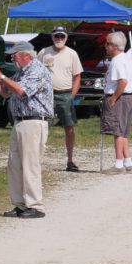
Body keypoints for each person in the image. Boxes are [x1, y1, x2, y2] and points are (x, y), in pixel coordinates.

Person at [0, 42, 50, 218]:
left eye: (14, 55)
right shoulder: (21, 73)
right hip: (19, 121)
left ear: (26, 55)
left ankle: (35, 205)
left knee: (30, 164)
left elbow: (21, 90)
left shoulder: (37, 70)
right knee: (14, 164)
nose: (12, 58)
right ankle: (20, 204)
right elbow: (6, 92)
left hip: (33, 121)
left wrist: (0, 75)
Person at [39, 27, 83, 171]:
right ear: (52, 37)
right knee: (43, 127)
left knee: (69, 128)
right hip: (47, 95)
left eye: (62, 36)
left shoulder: (72, 54)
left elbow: (77, 77)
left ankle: (70, 161)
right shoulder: (43, 52)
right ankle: (38, 161)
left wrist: (72, 96)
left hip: (65, 94)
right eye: (56, 36)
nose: (59, 39)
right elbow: (36, 72)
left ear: (66, 38)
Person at [101, 30, 132, 173]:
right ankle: (128, 161)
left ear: (114, 46)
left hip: (121, 98)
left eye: (107, 43)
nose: (105, 46)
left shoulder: (117, 61)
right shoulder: (126, 58)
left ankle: (118, 164)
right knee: (123, 130)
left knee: (117, 131)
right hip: (129, 97)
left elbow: (122, 81)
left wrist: (113, 98)